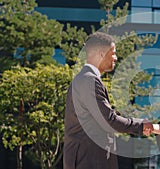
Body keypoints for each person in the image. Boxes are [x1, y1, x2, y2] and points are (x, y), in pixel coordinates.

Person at [63, 31, 153, 169]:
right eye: (113, 53)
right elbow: (109, 120)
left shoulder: (84, 79)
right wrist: (140, 125)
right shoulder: (89, 80)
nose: (116, 58)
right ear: (101, 54)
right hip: (89, 161)